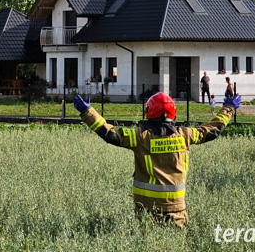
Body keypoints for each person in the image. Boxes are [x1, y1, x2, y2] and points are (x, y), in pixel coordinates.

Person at [74, 91, 240, 228]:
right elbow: (212, 130)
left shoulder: (140, 137)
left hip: (147, 208)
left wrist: (88, 113)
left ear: (149, 112)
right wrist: (229, 108)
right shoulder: (185, 135)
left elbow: (110, 134)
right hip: (177, 208)